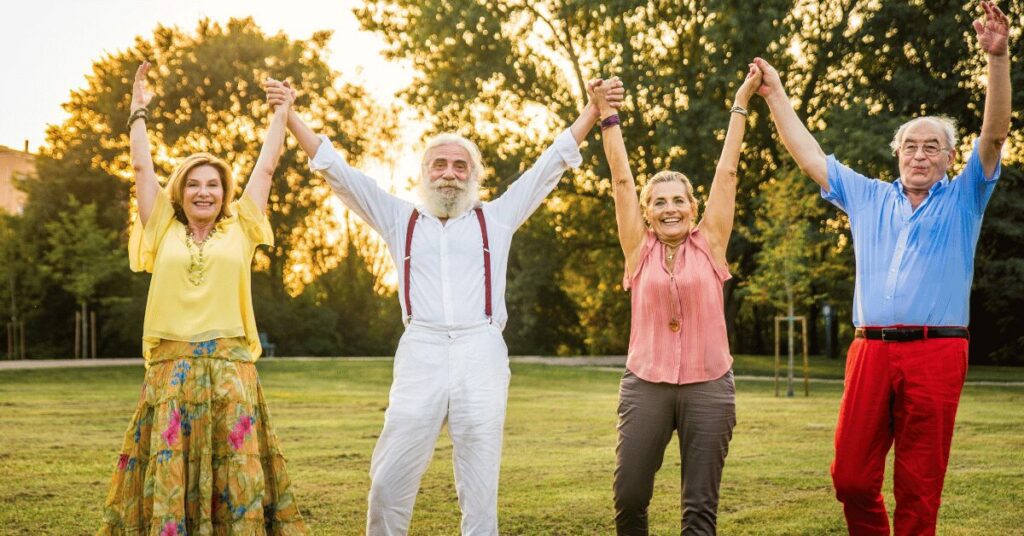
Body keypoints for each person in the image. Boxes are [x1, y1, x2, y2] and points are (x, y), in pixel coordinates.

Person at [265, 78, 623, 535]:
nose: (449, 173)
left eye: (459, 166)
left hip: (482, 348)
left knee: (479, 480)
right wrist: (291, 113)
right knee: (390, 475)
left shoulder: (497, 217)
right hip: (422, 348)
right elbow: (338, 172)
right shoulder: (400, 218)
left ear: (474, 176)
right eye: (440, 165)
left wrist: (592, 111)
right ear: (424, 173)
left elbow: (549, 164)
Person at [752, 2, 1011, 534]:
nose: (920, 155)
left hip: (938, 351)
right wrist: (775, 93)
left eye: (932, 147)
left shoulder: (965, 198)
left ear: (947, 157)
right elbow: (808, 155)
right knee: (850, 477)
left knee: (919, 486)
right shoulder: (867, 197)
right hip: (869, 350)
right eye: (910, 146)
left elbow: (994, 134)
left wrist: (999, 59)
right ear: (897, 154)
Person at [98, 63, 307, 535]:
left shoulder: (242, 226)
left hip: (232, 371)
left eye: (213, 184)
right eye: (193, 183)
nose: (203, 191)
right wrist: (137, 113)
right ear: (180, 192)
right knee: (172, 477)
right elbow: (139, 168)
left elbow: (268, 165)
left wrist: (283, 111)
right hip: (171, 372)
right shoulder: (162, 227)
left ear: (225, 192)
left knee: (235, 473)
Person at [593, 64, 762, 535]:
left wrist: (741, 102)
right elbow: (621, 179)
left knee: (699, 509)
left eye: (679, 200)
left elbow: (727, 171)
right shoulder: (637, 249)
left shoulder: (710, 244)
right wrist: (608, 119)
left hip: (709, 385)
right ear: (648, 214)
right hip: (645, 384)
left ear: (693, 206)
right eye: (660, 202)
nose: (670, 208)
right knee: (629, 496)